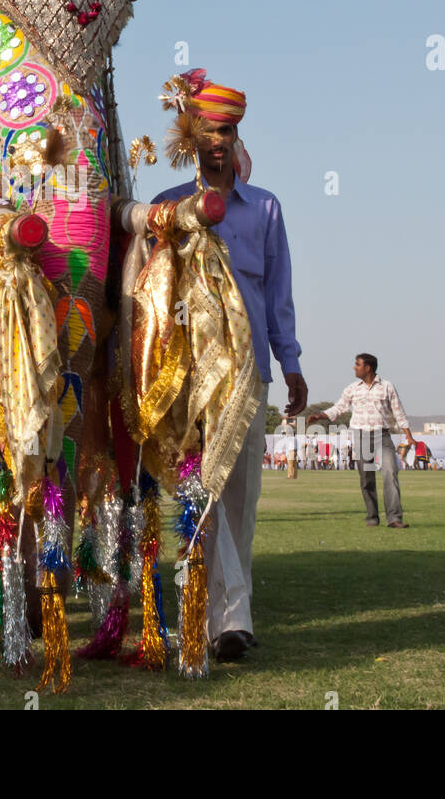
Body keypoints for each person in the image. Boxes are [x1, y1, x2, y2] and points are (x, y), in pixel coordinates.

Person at [151, 70, 306, 662]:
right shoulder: (167, 209)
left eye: (229, 130)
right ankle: (221, 618)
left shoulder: (265, 209)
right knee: (202, 490)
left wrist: (290, 362)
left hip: (251, 370)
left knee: (241, 497)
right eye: (211, 129)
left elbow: (279, 292)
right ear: (190, 134)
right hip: (189, 375)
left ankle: (228, 618)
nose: (220, 140)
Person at [309, 354, 413, 528]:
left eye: (357, 364)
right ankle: (372, 517)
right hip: (361, 436)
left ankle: (394, 518)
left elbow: (398, 412)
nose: (354, 367)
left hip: (383, 435)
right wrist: (320, 415)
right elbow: (339, 407)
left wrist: (408, 435)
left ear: (368, 368)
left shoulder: (387, 387)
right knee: (367, 479)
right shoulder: (352, 388)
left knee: (390, 472)